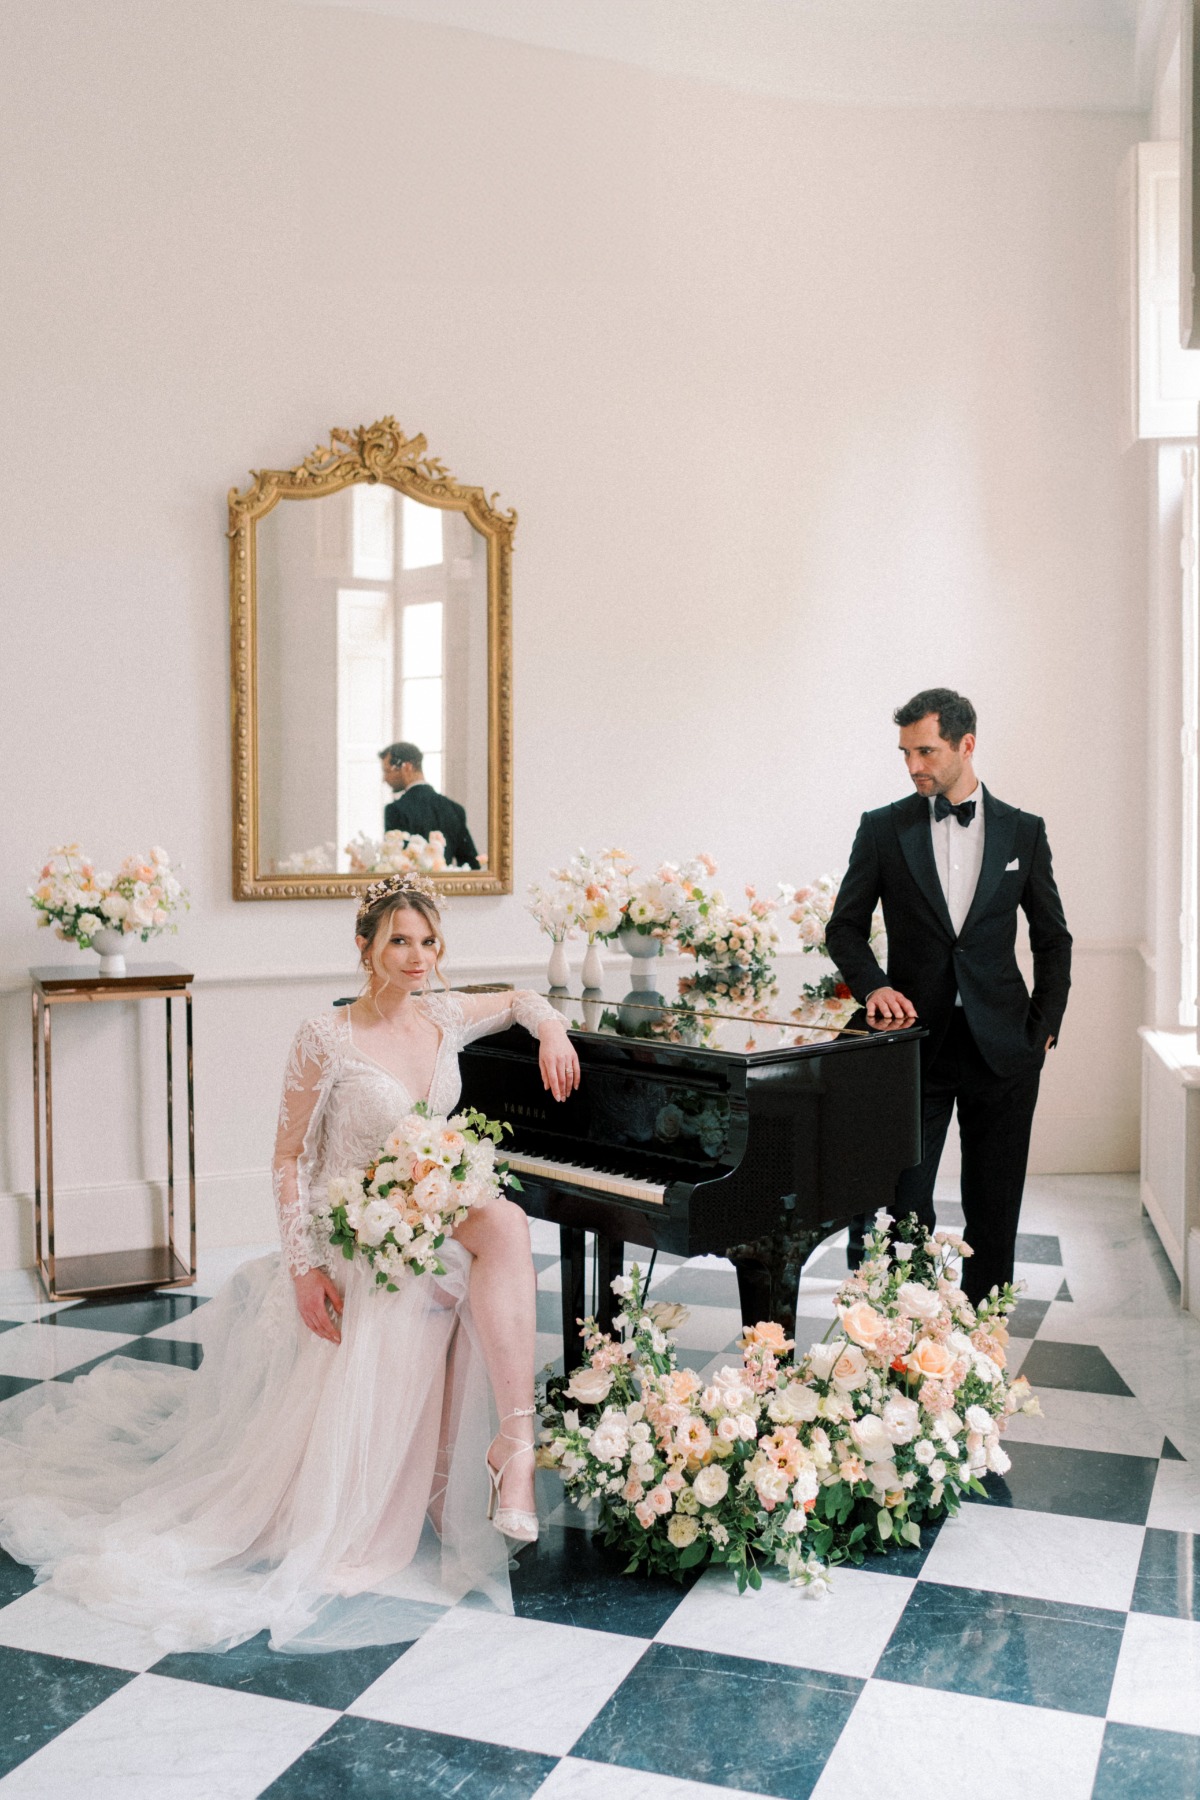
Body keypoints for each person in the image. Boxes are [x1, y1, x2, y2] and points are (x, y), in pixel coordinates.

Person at [0, 875, 580, 1655]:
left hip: (424, 1211)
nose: (416, 957)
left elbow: (516, 997)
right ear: (365, 947)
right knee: (480, 1243)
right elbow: (287, 1160)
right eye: (399, 941)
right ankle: (485, 1455)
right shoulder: (326, 1035)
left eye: (429, 942)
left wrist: (551, 1029)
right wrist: (304, 1268)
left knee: (505, 1222)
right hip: (354, 1230)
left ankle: (513, 1445)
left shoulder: (443, 1014)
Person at [824, 688, 1071, 1305]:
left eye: (926, 750)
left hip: (1004, 1046)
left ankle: (982, 1338)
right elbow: (844, 926)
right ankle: (900, 1337)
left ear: (966, 745)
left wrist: (1044, 1025)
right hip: (912, 1043)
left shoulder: (1025, 831)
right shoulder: (883, 828)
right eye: (905, 752)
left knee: (995, 1203)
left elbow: (1053, 939)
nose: (914, 766)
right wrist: (875, 984)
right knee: (902, 1203)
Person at [381, 741, 479, 869]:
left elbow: (395, 867)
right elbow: (471, 864)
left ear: (407, 767)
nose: (385, 779)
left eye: (387, 771)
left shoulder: (395, 810)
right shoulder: (455, 809)